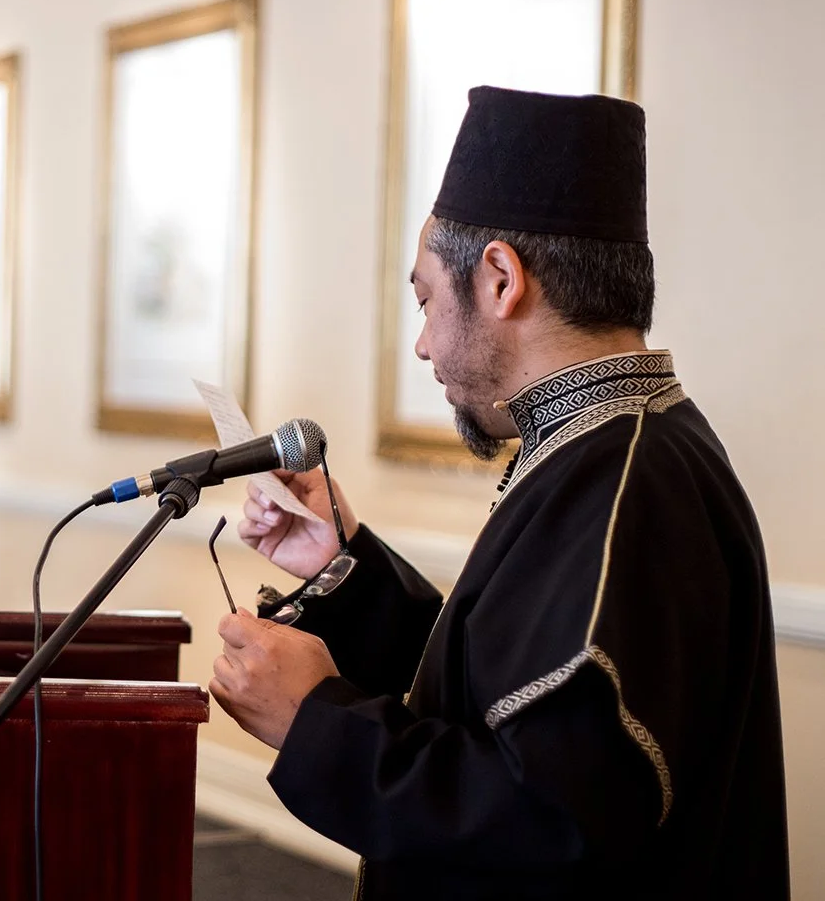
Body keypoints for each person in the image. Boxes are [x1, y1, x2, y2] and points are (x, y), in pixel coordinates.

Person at [209, 87, 788, 898]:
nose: (421, 344)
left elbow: (549, 819)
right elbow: (502, 698)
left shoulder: (630, 477)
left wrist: (317, 723)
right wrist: (345, 567)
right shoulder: (607, 448)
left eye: (425, 299)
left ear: (500, 279)